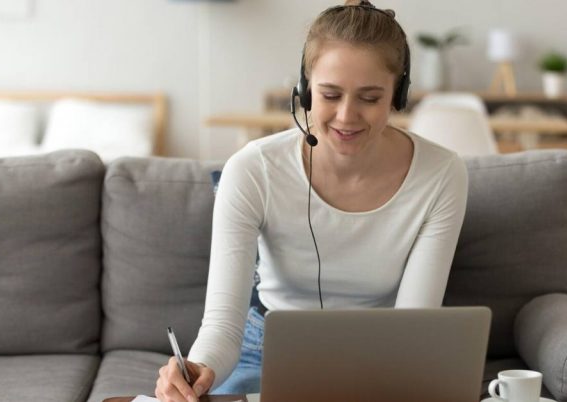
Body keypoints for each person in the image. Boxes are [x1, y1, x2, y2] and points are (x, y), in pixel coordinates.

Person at [155, 1, 468, 401]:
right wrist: (197, 372)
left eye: (370, 98)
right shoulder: (253, 169)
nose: (346, 116)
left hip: (384, 354)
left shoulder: (441, 175)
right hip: (263, 350)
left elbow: (413, 327)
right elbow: (222, 327)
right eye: (330, 94)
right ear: (303, 90)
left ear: (398, 94)